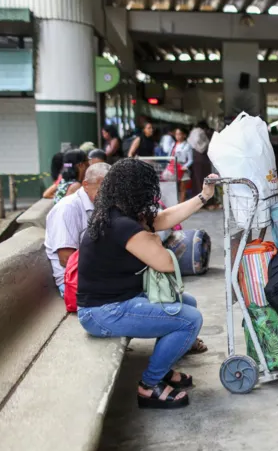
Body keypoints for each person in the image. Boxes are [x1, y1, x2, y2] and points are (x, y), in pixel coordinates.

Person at [76, 159, 215, 409]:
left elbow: (165, 217)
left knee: (188, 302)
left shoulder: (116, 214)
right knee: (189, 319)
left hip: (113, 302)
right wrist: (152, 239)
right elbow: (166, 263)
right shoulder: (121, 225)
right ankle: (149, 386)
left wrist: (203, 197)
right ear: (137, 189)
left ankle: (162, 370)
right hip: (104, 311)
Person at [44, 163, 111, 296]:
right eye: (103, 189)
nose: (109, 195)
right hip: (74, 282)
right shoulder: (68, 208)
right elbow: (66, 258)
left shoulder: (100, 203)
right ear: (86, 185)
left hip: (95, 275)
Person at [188, 121, 213, 208]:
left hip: (195, 158)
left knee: (197, 180)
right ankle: (205, 202)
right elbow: (203, 144)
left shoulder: (192, 132)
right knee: (204, 180)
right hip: (202, 159)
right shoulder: (200, 132)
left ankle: (198, 202)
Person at [171, 127, 194, 203]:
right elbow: (169, 157)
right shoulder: (173, 145)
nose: (178, 136)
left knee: (182, 189)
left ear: (184, 135)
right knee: (173, 188)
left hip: (183, 168)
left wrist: (185, 166)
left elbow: (191, 160)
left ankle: (181, 205)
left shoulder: (187, 146)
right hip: (174, 167)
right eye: (176, 134)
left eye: (179, 134)